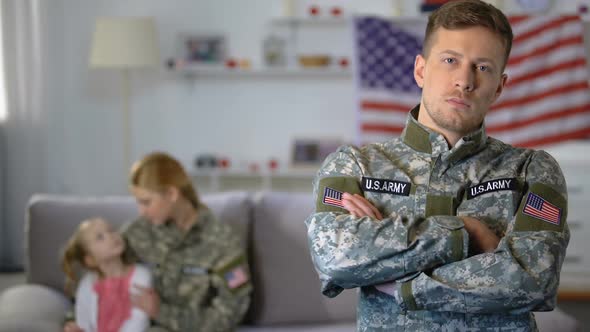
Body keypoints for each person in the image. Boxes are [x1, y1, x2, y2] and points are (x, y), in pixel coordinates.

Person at [305, 1, 569, 331]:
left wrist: (400, 283)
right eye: (450, 60)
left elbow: (533, 279)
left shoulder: (531, 170)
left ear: (499, 87)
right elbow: (335, 259)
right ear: (420, 70)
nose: (464, 80)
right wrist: (467, 233)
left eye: (482, 67)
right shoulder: (355, 166)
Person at [66, 152, 252, 332]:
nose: (141, 211)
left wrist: (161, 312)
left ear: (171, 194)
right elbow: (98, 274)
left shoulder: (223, 243)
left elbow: (230, 314)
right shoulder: (137, 233)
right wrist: (75, 321)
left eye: (146, 202)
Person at [62, 218, 152, 332]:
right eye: (100, 237)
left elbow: (139, 320)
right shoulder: (87, 284)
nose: (111, 236)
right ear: (90, 260)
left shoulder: (141, 276)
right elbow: (83, 321)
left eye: (112, 230)